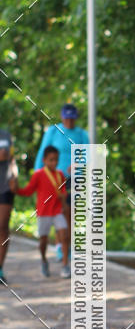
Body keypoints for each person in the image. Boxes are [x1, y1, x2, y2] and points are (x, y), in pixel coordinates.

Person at [35, 103, 89, 258]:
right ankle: (60, 245)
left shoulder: (81, 134)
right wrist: (37, 175)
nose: (69, 122)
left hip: (73, 179)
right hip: (53, 178)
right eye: (67, 119)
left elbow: (89, 154)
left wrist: (78, 165)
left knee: (69, 213)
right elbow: (42, 153)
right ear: (62, 117)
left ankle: (66, 246)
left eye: (72, 119)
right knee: (55, 211)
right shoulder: (53, 131)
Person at [10, 145, 70, 278]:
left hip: (57, 211)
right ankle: (44, 260)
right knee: (43, 241)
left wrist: (63, 196)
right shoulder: (38, 175)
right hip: (43, 213)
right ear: (44, 160)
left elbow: (64, 192)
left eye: (56, 160)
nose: (54, 163)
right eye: (51, 160)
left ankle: (65, 265)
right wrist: (17, 190)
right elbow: (28, 191)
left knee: (65, 236)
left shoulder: (60, 174)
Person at [0, 128, 16, 285]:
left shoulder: (6, 134)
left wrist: (15, 176)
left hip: (5, 186)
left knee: (3, 227)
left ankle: (0, 268)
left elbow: (12, 158)